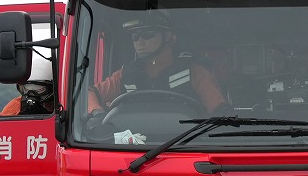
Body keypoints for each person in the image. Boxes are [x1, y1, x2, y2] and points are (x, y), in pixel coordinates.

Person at [86, 11, 226, 117]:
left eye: (148, 34)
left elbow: (220, 111)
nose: (140, 42)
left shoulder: (195, 72)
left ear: (169, 37)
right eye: (135, 37)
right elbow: (89, 93)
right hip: (132, 143)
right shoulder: (125, 75)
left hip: (185, 143)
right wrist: (97, 114)